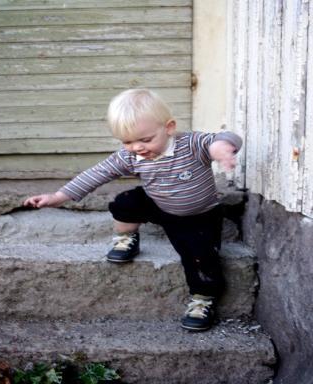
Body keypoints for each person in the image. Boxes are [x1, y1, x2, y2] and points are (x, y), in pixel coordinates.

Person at [24, 89, 242, 332]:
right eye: (127, 142)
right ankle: (125, 237)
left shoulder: (191, 144)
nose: (137, 147)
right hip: (159, 205)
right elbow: (97, 174)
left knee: (202, 256)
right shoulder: (131, 156)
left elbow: (225, 137)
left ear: (169, 127)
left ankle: (203, 298)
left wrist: (222, 147)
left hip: (198, 217)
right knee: (126, 201)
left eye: (146, 140)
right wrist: (58, 196)